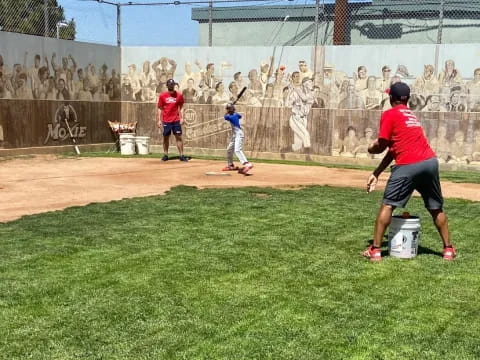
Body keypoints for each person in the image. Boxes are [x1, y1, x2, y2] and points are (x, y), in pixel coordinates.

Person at [364, 82, 455, 261]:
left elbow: (382, 145)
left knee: (388, 204)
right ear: (408, 99)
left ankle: (375, 250)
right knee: (436, 207)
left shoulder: (389, 114)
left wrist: (371, 148)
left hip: (408, 165)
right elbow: (394, 149)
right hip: (429, 162)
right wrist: (377, 172)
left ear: (391, 98)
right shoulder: (411, 116)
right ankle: (448, 249)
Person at [157, 79, 188, 162]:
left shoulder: (179, 95)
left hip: (176, 120)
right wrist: (159, 120)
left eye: (172, 84)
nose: (171, 86)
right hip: (166, 120)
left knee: (178, 137)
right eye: (170, 84)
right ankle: (166, 155)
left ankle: (181, 155)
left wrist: (182, 118)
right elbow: (160, 108)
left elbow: (181, 107)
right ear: (167, 86)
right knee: (165, 138)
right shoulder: (162, 96)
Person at [222, 103, 253, 174]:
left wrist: (228, 109)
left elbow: (225, 116)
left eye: (228, 109)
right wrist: (231, 109)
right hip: (235, 135)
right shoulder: (236, 115)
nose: (227, 110)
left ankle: (247, 164)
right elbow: (240, 116)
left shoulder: (230, 117)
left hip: (238, 134)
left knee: (237, 150)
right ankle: (230, 165)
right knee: (229, 149)